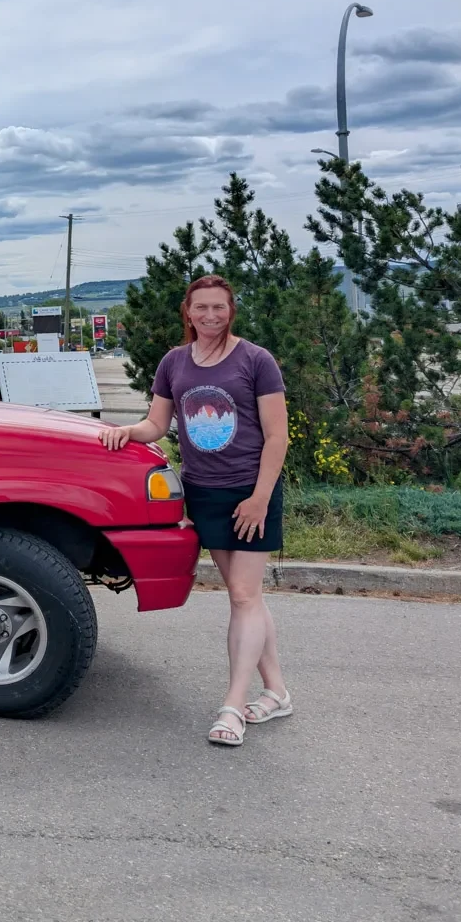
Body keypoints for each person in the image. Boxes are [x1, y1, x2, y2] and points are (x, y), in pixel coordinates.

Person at [99, 275, 292, 747]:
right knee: (245, 597)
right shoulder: (174, 362)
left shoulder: (256, 360)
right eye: (201, 307)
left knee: (243, 596)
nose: (210, 316)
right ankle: (278, 692)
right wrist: (126, 432)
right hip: (203, 492)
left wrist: (260, 498)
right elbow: (157, 423)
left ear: (231, 310)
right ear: (188, 311)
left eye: (219, 307)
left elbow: (277, 436)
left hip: (250, 493)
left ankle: (233, 706)